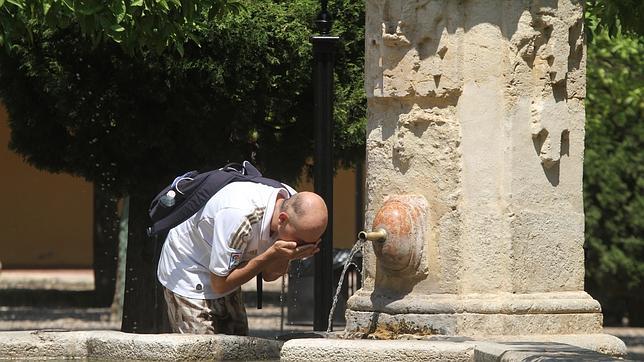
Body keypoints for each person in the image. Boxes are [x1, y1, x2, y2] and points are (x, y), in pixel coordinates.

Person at [157, 180, 328, 335]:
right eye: (300, 241)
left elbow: (269, 275)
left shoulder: (290, 206)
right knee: (199, 350)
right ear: (283, 219)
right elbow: (219, 284)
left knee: (238, 347)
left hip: (225, 270)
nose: (301, 246)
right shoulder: (240, 217)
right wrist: (271, 254)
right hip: (188, 269)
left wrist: (286, 255)